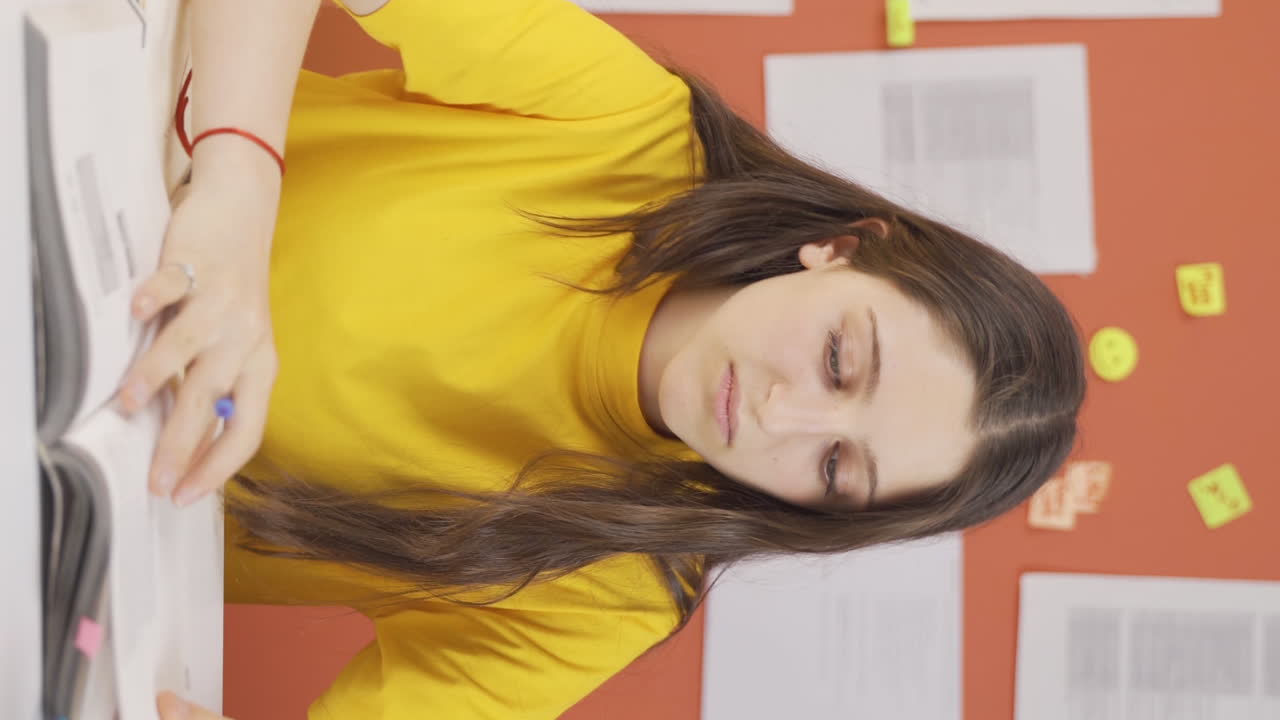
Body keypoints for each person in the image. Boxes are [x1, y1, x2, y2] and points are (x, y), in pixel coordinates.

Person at [124, 0, 1087, 718]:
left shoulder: (612, 598)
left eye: (835, 470)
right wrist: (238, 198)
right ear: (842, 246)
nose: (778, 419)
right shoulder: (629, 125)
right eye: (841, 358)